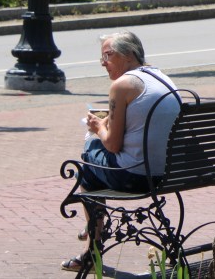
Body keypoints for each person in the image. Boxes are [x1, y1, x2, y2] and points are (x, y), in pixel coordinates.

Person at [62, 31, 180, 272]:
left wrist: (97, 127)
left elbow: (112, 145)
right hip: (170, 175)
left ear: (128, 55)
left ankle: (92, 247)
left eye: (108, 55)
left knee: (89, 156)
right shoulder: (162, 78)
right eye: (101, 57)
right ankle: (93, 224)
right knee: (94, 159)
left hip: (135, 178)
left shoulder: (122, 85)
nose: (103, 62)